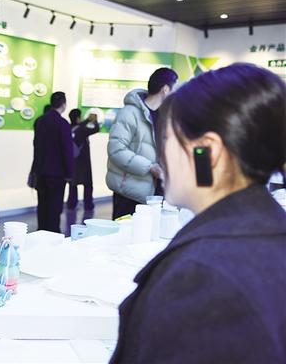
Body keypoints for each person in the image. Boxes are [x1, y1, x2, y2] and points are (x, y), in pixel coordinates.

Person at [111, 63, 286, 363]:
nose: (161, 156)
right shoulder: (267, 228)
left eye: (167, 140)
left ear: (207, 152)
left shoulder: (202, 276)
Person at [106, 67, 178, 219]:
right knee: (126, 233)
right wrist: (150, 167)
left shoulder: (166, 116)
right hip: (129, 194)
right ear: (165, 89)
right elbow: (116, 150)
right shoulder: (129, 113)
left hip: (157, 195)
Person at [31, 92, 74, 233]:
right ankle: (52, 233)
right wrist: (69, 173)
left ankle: (41, 231)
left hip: (40, 171)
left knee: (42, 205)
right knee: (54, 207)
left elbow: (36, 146)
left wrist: (34, 170)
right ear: (64, 104)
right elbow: (67, 150)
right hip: (57, 173)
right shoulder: (63, 124)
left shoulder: (40, 121)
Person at [67, 111, 100, 216]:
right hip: (84, 162)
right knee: (88, 184)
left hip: (72, 161)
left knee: (73, 184)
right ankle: (88, 204)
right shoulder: (82, 130)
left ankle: (71, 203)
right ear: (78, 118)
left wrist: (86, 120)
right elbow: (96, 129)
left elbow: (79, 126)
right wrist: (94, 121)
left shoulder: (69, 128)